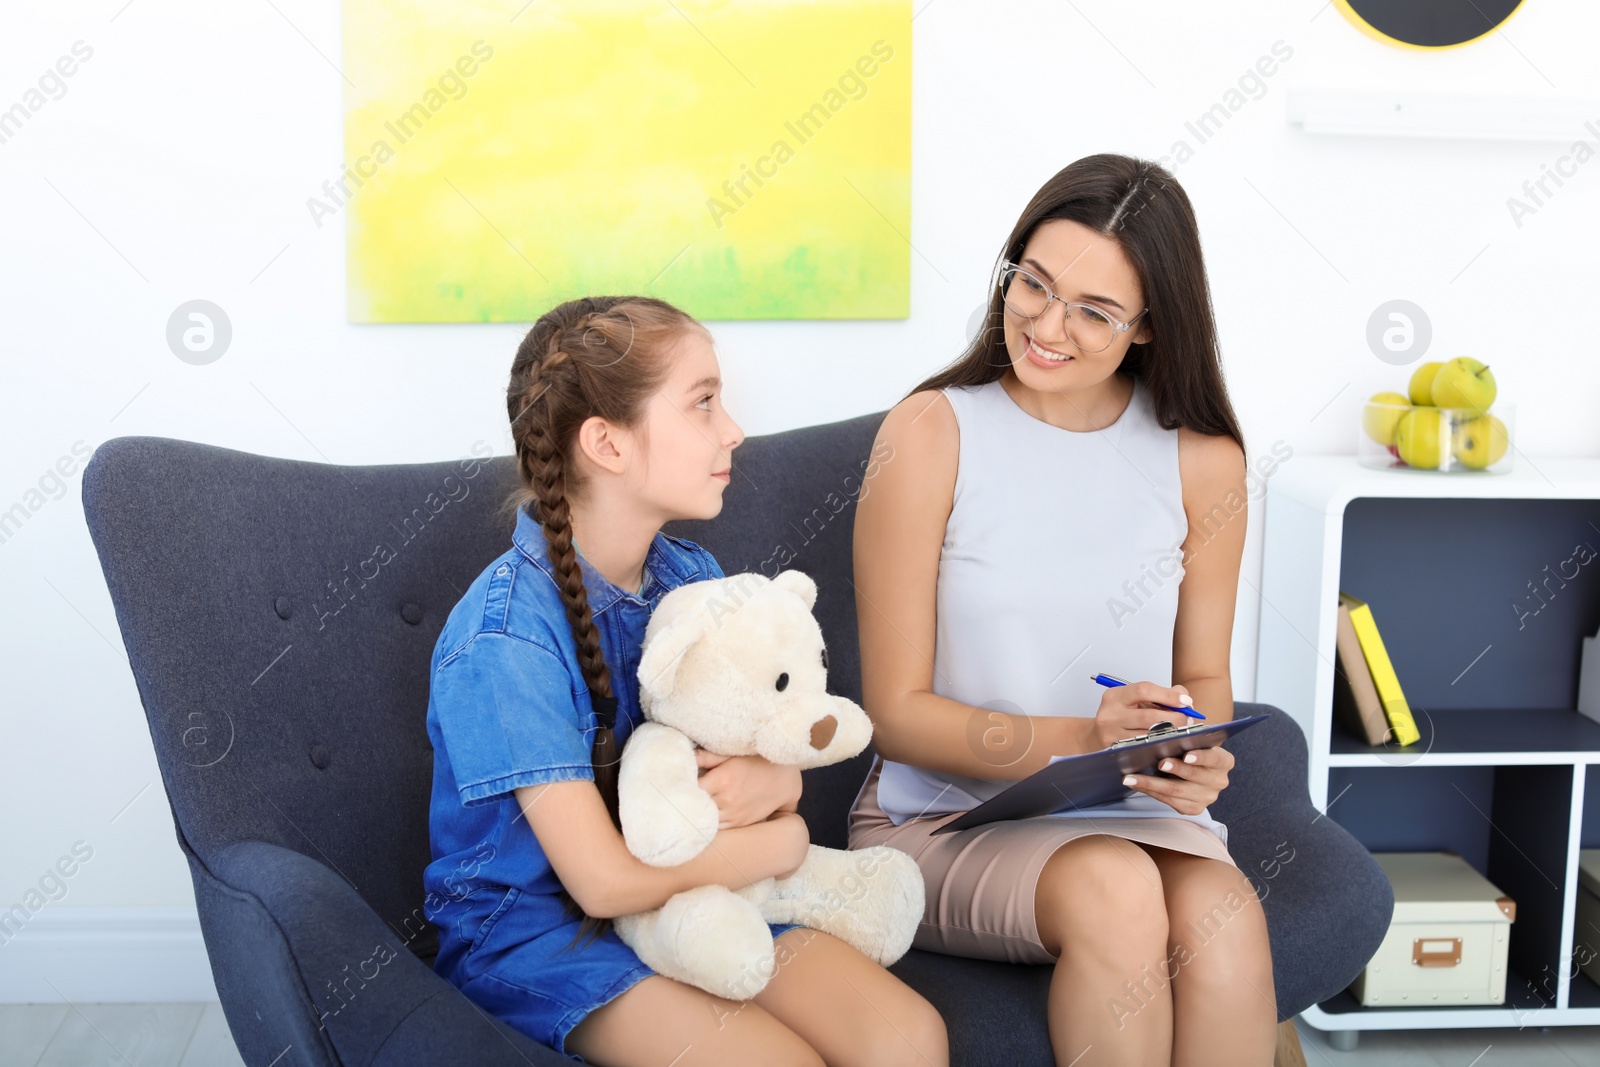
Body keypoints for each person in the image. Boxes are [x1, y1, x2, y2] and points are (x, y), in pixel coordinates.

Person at [423, 295, 948, 1066]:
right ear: (606, 442)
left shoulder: (696, 580)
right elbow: (599, 884)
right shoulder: (503, 638)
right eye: (702, 403)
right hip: (541, 935)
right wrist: (785, 836)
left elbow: (763, 760)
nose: (732, 429)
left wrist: (776, 792)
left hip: (695, 895)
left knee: (907, 1037)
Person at [847, 154, 1277, 1066]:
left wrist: (1193, 755)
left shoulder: (1203, 461)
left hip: (1136, 811)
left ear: (1151, 325)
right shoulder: (931, 431)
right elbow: (896, 712)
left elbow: (1201, 678)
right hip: (941, 817)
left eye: (1093, 311)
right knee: (1116, 890)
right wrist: (1089, 736)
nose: (1045, 325)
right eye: (1032, 285)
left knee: (1228, 914)